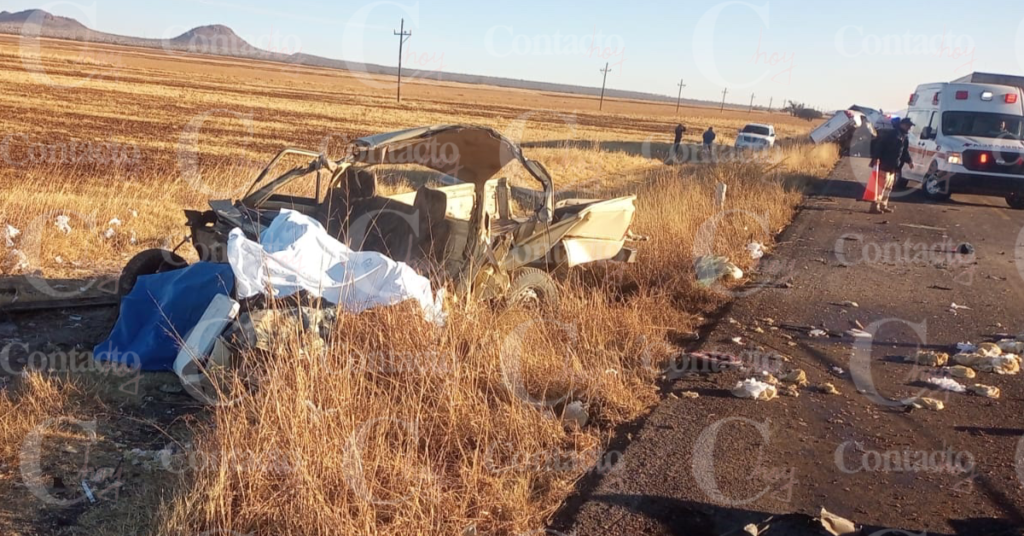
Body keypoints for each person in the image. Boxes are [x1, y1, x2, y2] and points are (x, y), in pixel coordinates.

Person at [868, 117, 914, 214]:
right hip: (884, 164)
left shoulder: (904, 137)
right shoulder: (892, 134)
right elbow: (880, 145)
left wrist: (909, 161)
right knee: (880, 186)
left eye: (910, 126)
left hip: (893, 166)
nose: (909, 128)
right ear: (902, 125)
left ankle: (883, 205)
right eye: (908, 126)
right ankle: (874, 206)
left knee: (888, 187)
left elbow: (904, 152)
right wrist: (876, 158)